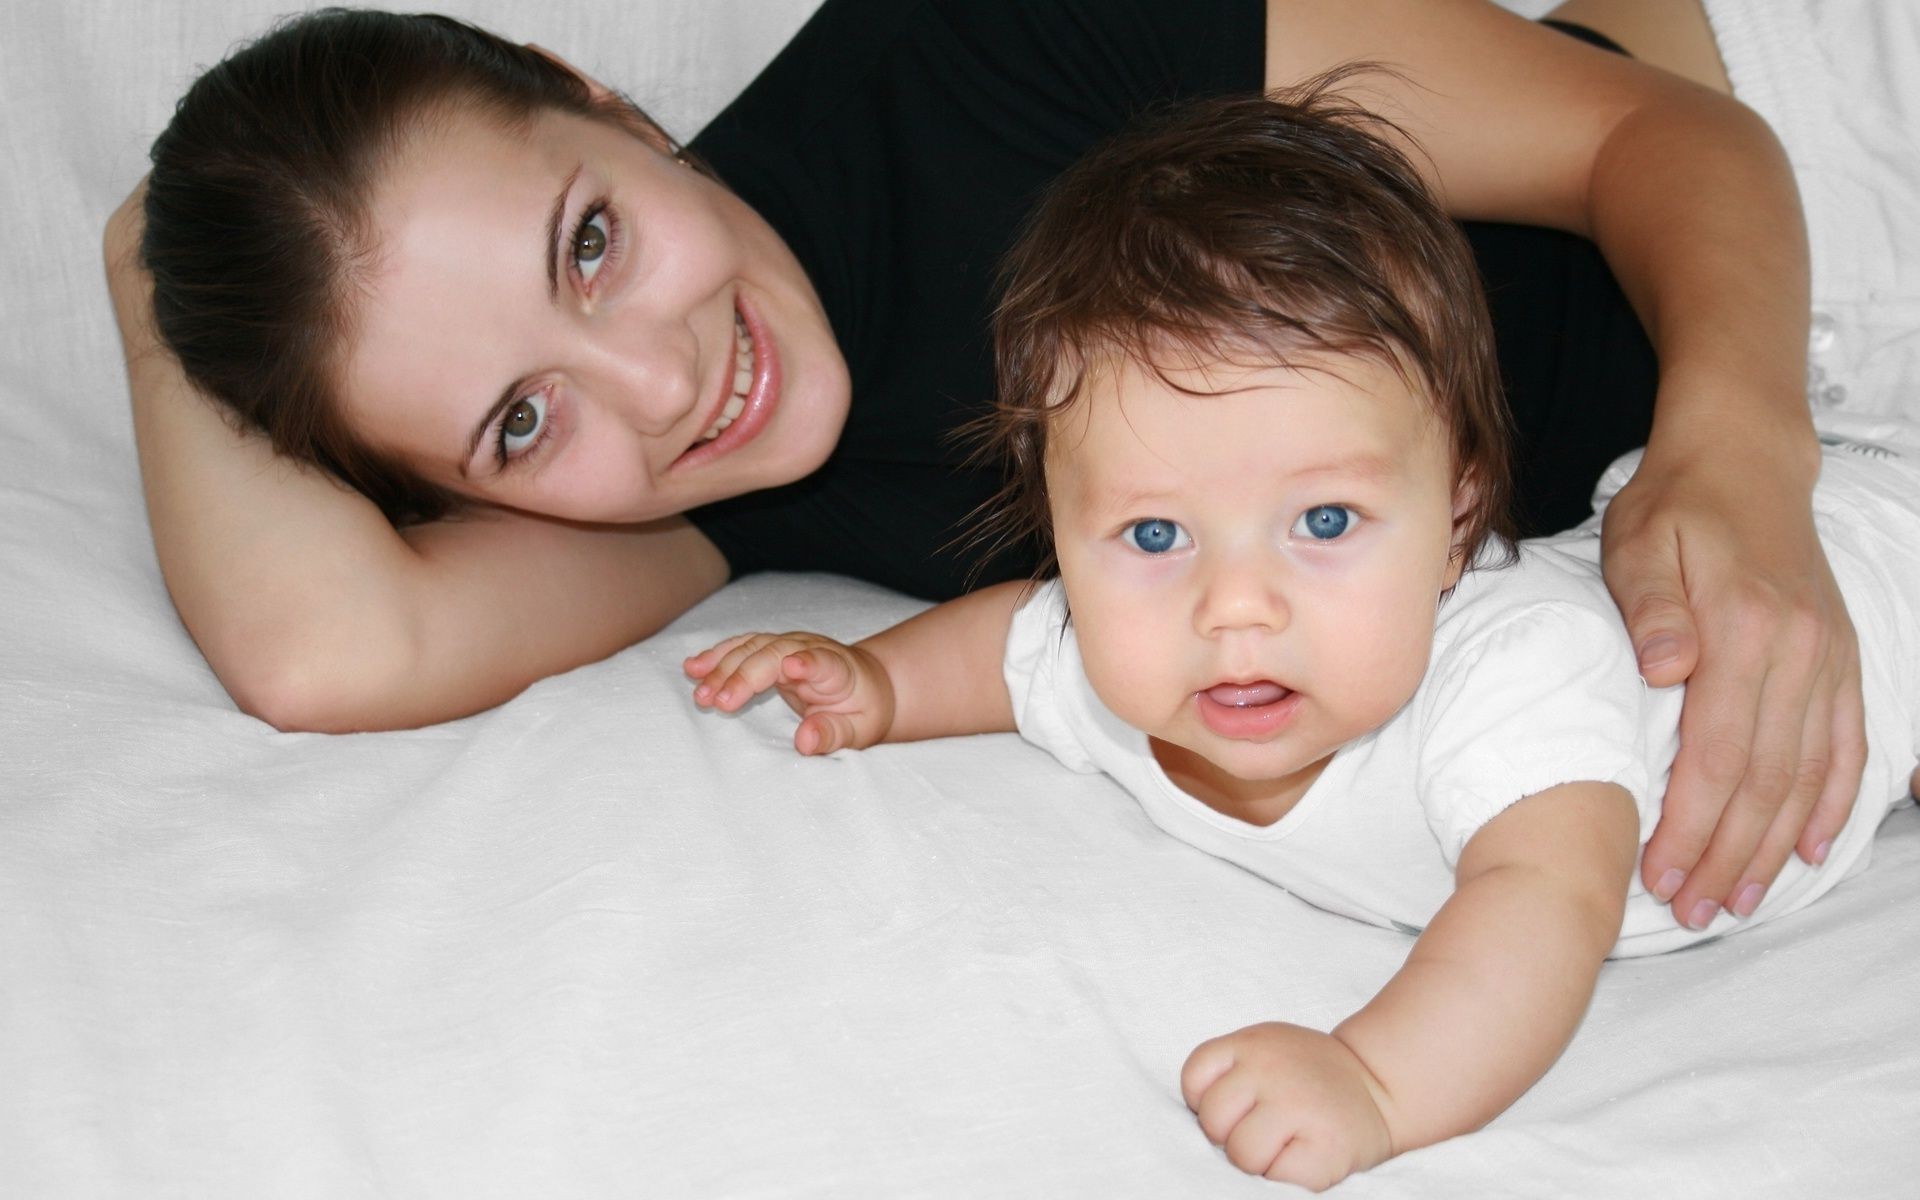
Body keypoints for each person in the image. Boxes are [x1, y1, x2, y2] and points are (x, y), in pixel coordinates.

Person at [104, 0, 1857, 930]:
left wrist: (1740, 449)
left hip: (1820, 170)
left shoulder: (998, 40)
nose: (662, 380)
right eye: (520, 421)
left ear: (607, 106)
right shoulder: (718, 490)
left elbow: (1654, 132)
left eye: (588, 240)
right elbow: (331, 654)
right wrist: (145, 255)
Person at [682, 90, 1920, 1189]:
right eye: (1155, 534)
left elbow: (1542, 904)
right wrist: (877, 685)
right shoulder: (1120, 657)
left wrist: (1374, 1084)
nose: (1234, 607)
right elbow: (1011, 645)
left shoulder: (1518, 671)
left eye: (1323, 521)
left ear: (1457, 519)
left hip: (1865, 582)